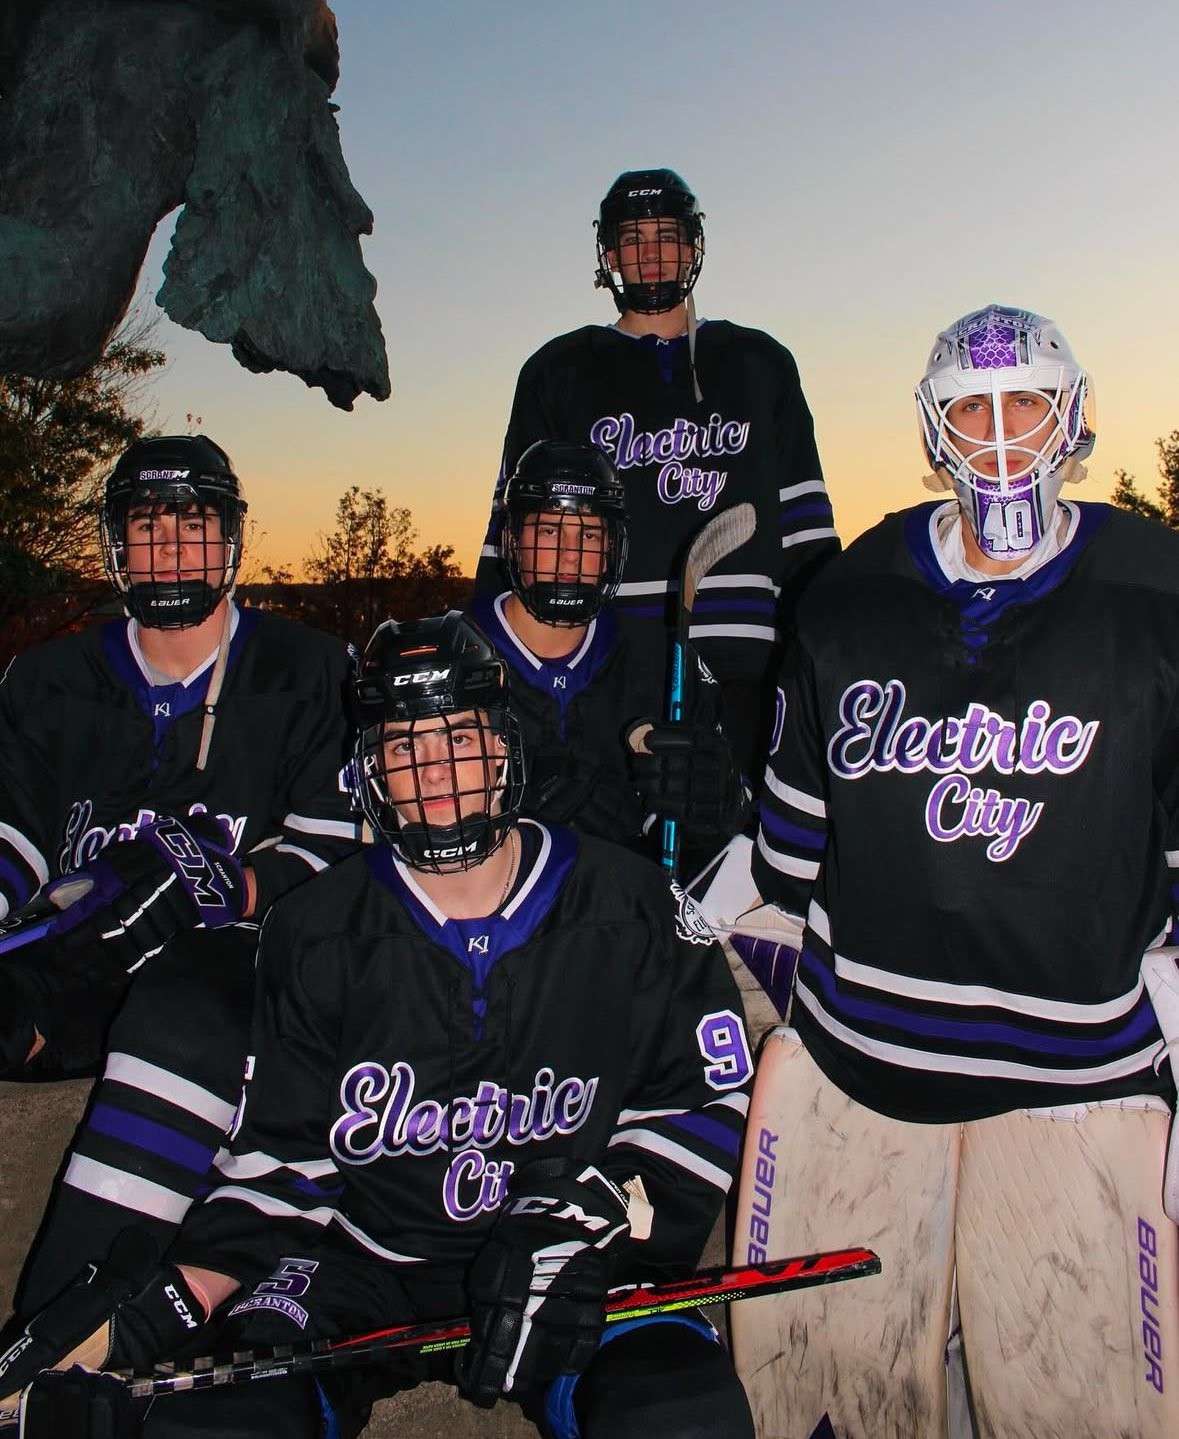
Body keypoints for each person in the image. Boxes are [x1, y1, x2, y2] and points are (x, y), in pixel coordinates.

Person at [0, 610, 757, 1439]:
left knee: (680, 1410)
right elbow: (283, 1162)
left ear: (502, 746)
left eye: (457, 736)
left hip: (565, 1259)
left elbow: (705, 1096)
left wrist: (593, 1220)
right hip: (360, 1267)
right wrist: (170, 1303)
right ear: (370, 771)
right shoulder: (313, 929)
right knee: (222, 1425)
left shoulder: (631, 904)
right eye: (403, 746)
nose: (434, 771)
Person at [735, 304, 1179, 1437]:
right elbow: (788, 856)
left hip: (1082, 1076)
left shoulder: (1159, 589)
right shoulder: (847, 594)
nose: (1001, 434)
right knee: (845, 1392)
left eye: (1024, 401)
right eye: (972, 408)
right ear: (933, 428)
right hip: (864, 1058)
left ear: (1072, 414)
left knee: (1071, 1397)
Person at [0, 434, 360, 1315]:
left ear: (228, 536)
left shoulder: (314, 671)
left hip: (224, 978)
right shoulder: (46, 679)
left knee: (184, 1008)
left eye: (192, 525)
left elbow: (334, 852)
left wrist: (230, 886)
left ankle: (60, 1336)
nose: (169, 549)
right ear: (117, 541)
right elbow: (14, 835)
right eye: (147, 525)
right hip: (76, 967)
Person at [474, 167, 837, 786]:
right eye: (631, 239)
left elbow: (806, 527)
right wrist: (487, 653)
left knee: (737, 831)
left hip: (750, 660)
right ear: (608, 255)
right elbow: (516, 531)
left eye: (665, 236)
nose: (648, 254)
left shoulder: (760, 363)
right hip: (611, 663)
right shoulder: (557, 371)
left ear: (693, 247)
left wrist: (825, 655)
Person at [470, 437, 747, 872]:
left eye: (589, 534)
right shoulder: (451, 657)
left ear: (610, 549)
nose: (569, 556)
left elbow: (721, 834)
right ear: (513, 540)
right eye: (548, 530)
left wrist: (715, 806)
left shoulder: (663, 663)